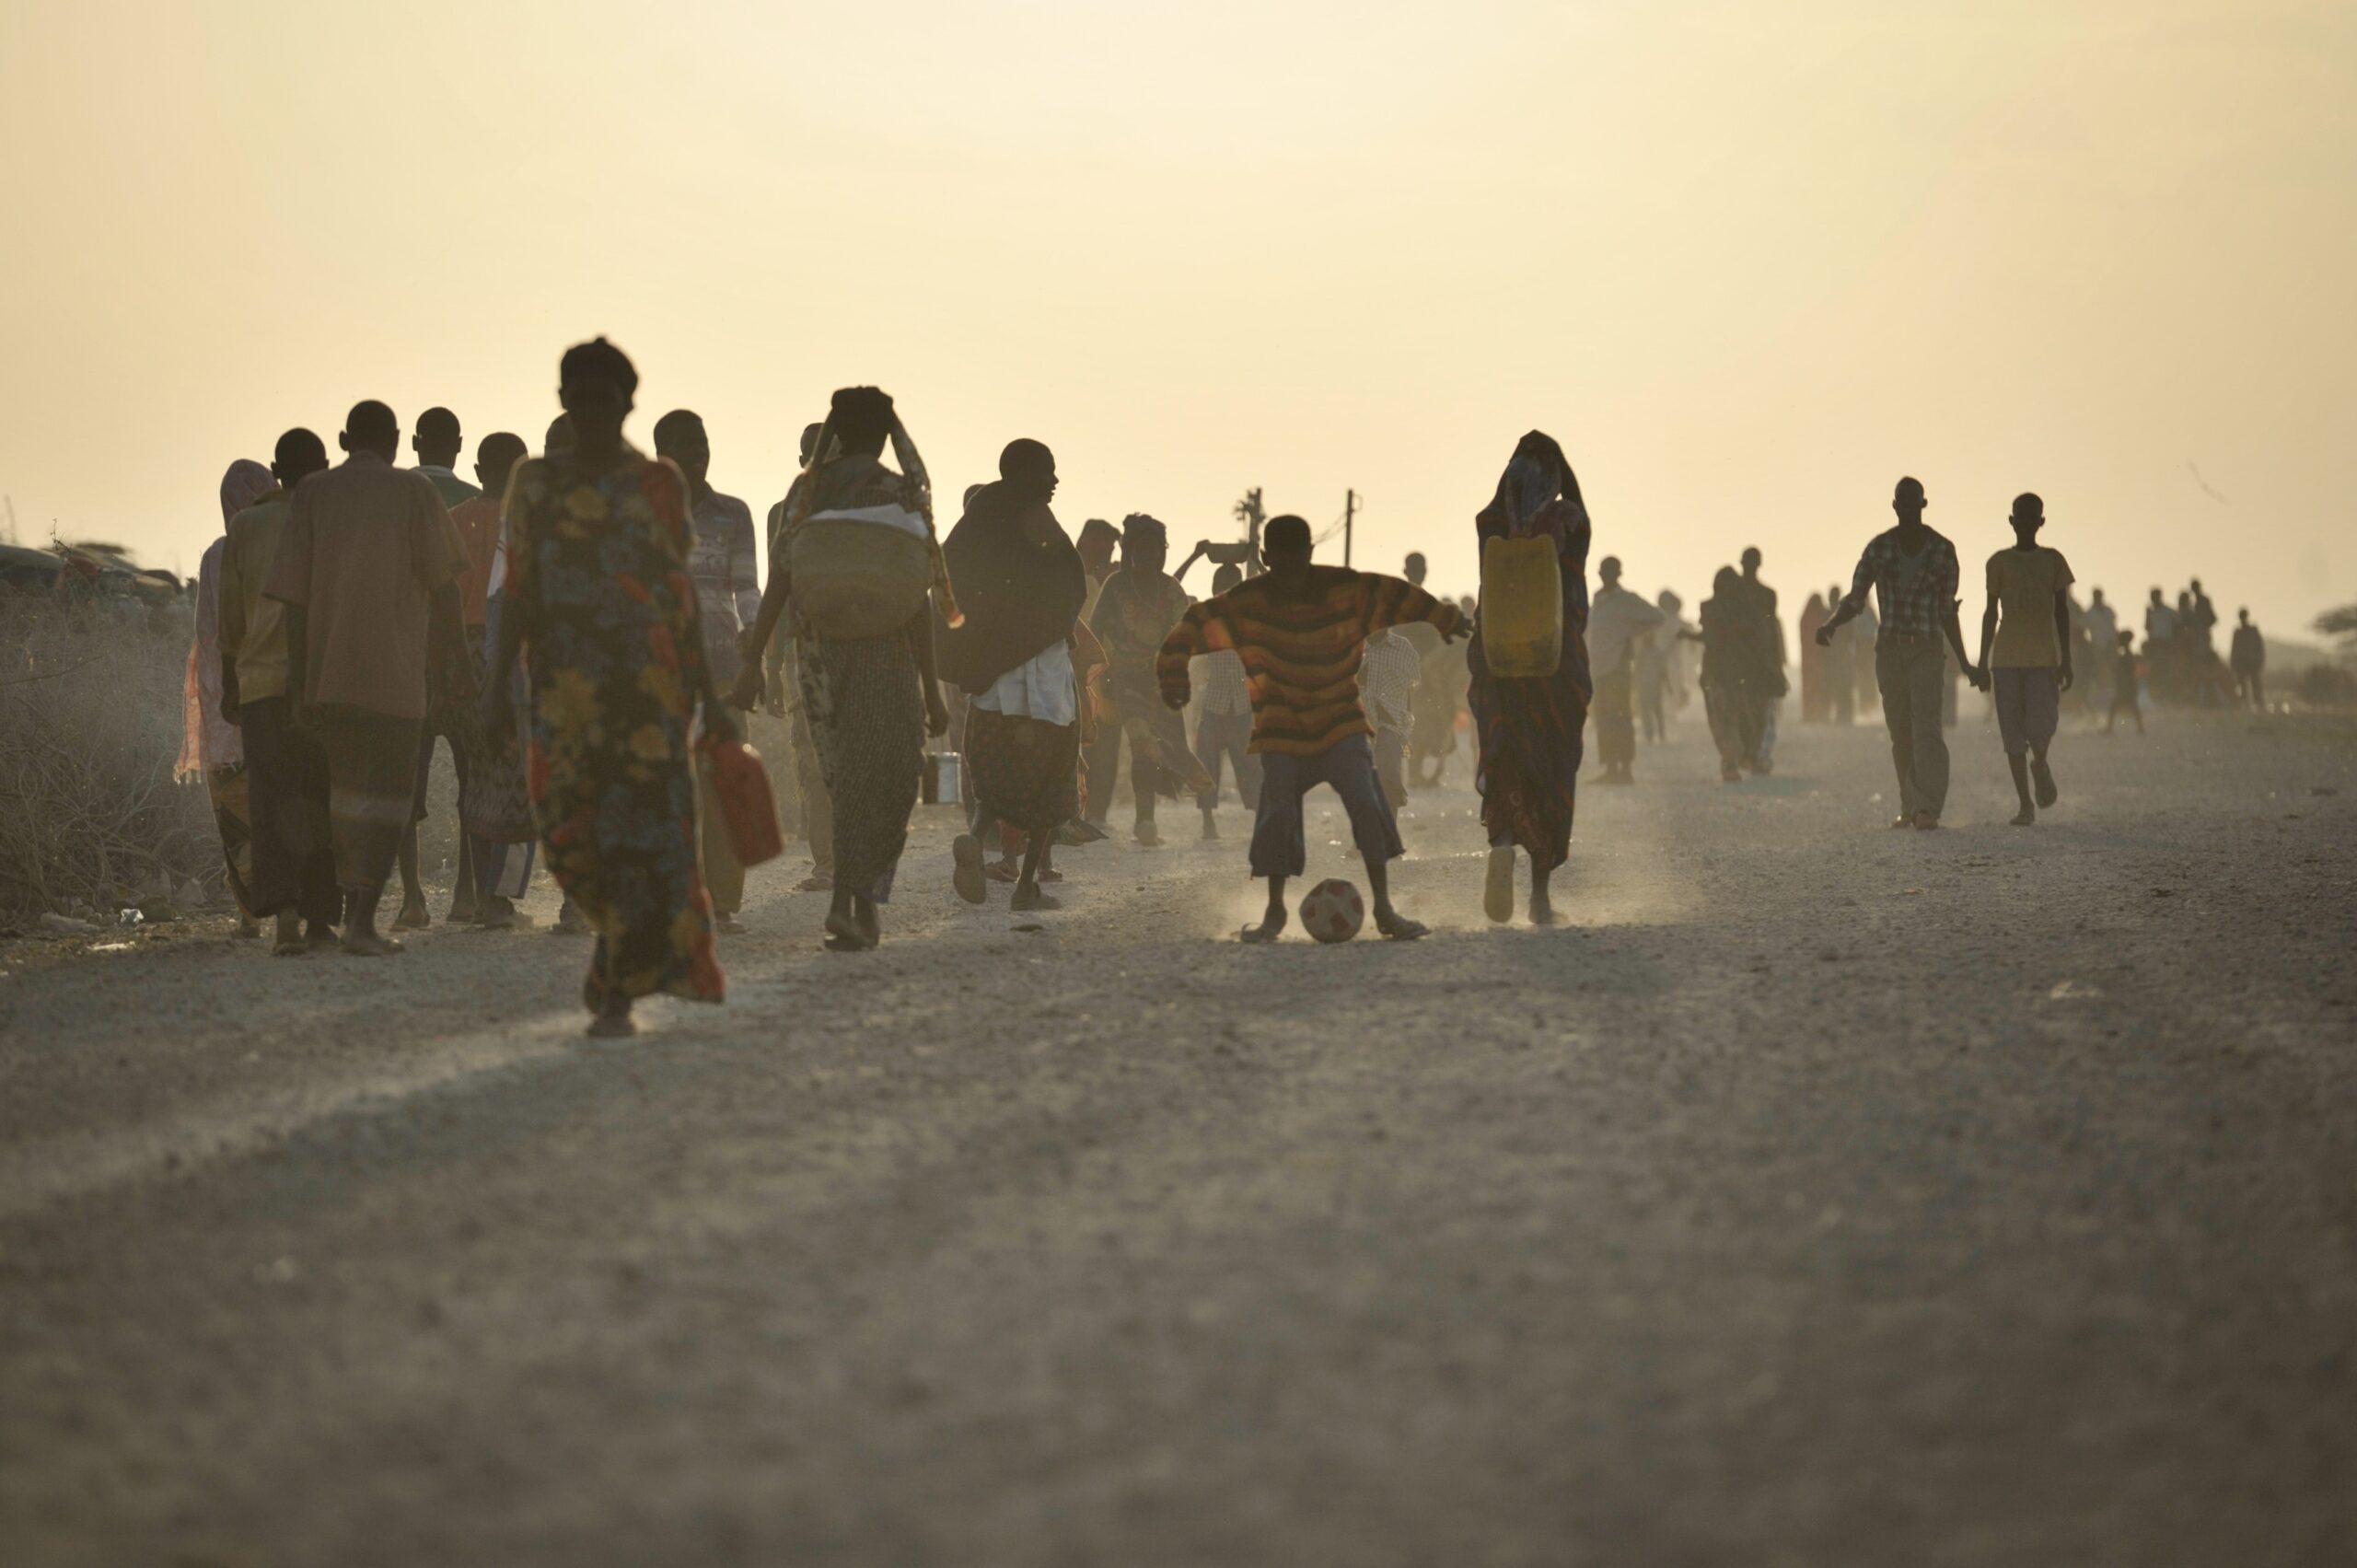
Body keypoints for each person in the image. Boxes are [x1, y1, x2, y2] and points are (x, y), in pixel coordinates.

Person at [484, 339, 733, 1032]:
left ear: (628, 401)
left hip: (648, 689)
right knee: (570, 832)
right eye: (579, 398)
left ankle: (616, 980)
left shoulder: (658, 484)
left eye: (606, 399)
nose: (593, 411)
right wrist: (494, 689)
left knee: (637, 834)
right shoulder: (534, 482)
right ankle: (612, 952)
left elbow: (680, 596)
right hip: (562, 689)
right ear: (563, 400)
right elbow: (522, 591)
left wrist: (712, 697)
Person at [1156, 515, 1461, 942]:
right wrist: (1172, 676)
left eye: (1295, 563)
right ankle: (1276, 912)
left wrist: (1444, 618)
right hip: (1282, 730)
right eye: (1282, 564)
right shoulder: (1250, 601)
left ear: (1308, 556)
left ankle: (1385, 909)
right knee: (1278, 813)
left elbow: (1395, 595)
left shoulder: (1339, 588)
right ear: (1267, 558)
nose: (1290, 574)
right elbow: (1191, 627)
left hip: (1340, 724)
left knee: (1368, 805)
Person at [733, 385, 952, 951]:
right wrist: (932, 689)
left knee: (844, 776)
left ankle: (850, 903)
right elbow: (919, 594)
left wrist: (755, 659)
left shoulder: (808, 491)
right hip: (888, 655)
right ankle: (855, 904)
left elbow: (780, 578)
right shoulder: (900, 492)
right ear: (886, 432)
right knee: (890, 777)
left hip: (819, 654)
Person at [264, 401, 473, 954]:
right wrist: (456, 669)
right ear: (399, 441)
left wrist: (300, 683)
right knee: (389, 798)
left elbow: (294, 601)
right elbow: (446, 590)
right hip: (398, 677)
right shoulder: (414, 493)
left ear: (342, 439)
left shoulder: (311, 494)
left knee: (342, 796)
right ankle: (360, 919)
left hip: (330, 676)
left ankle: (335, 920)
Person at [938, 438, 1086, 912]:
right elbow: (1070, 585)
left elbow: (946, 582)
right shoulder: (1035, 516)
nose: (1055, 481)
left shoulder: (973, 524)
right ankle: (1026, 886)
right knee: (1051, 775)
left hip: (994, 680)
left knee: (997, 773)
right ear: (1025, 474)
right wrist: (1053, 626)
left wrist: (978, 647)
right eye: (1049, 472)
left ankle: (976, 837)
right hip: (1042, 674)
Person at [217, 429, 341, 954]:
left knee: (272, 801)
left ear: (276, 467)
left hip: (260, 682)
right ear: (325, 466)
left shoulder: (245, 526)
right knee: (320, 799)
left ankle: (286, 919)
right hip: (323, 684)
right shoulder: (331, 522)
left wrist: (230, 684)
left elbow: (231, 619)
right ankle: (319, 921)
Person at [1468, 431, 1592, 925]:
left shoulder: (1491, 524)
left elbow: (1499, 506)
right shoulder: (1570, 521)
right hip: (1556, 665)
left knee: (1506, 755)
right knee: (1551, 765)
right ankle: (1539, 897)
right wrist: (1563, 464)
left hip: (1497, 662)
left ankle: (1502, 842)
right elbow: (1580, 509)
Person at [1816, 477, 1983, 830]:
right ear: (1895, 506)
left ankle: (1927, 807)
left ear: (1923, 505)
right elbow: (1856, 598)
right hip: (1890, 649)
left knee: (1926, 728)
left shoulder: (1942, 551)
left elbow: (1947, 611)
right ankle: (1910, 804)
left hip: (1925, 647)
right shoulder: (1879, 549)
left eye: (1914, 501)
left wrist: (1966, 662)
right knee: (1900, 732)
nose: (1907, 508)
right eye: (1902, 502)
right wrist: (1831, 624)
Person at [653, 409, 761, 935]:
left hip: (723, 668)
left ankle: (722, 903)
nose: (700, 451)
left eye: (703, 441)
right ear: (660, 454)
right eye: (685, 444)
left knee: (725, 790)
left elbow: (748, 590)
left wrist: (756, 654)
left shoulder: (733, 514)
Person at [183, 459, 277, 936]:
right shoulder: (285, 544)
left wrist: (214, 701)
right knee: (278, 805)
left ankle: (249, 916)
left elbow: (209, 636)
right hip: (277, 699)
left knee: (236, 817)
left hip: (228, 706)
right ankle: (292, 906)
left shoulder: (218, 556)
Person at [449, 433, 536, 929]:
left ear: (478, 468)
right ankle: (496, 896)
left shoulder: (458, 520)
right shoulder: (529, 524)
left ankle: (482, 893)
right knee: (514, 779)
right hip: (510, 651)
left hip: (464, 655)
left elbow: (442, 599)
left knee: (475, 776)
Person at [1086, 514, 1208, 846]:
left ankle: (1156, 816)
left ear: (1162, 551)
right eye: (1139, 549)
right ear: (1129, 551)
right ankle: (1144, 822)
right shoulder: (1115, 586)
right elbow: (1095, 630)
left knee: (1168, 751)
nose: (1147, 556)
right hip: (1124, 679)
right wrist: (1101, 669)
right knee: (1142, 741)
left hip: (1163, 682)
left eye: (1153, 549)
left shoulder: (1171, 589)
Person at [762, 423, 836, 892]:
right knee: (811, 758)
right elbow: (778, 589)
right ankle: (827, 862)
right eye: (815, 454)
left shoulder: (866, 511)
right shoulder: (783, 513)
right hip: (803, 650)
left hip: (860, 647)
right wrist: (769, 667)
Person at [1979, 493, 2075, 827]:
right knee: (2013, 734)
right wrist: (1981, 661)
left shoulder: (2054, 561)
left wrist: (2067, 659)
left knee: (2043, 725)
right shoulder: (1998, 563)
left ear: (2041, 523)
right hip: (2005, 658)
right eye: (2020, 517)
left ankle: (2041, 763)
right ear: (2011, 521)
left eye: (2031, 517)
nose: (2025, 523)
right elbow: (1990, 613)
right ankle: (2024, 804)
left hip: (2044, 657)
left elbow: (2063, 612)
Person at [1190, 562, 1260, 838]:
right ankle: (1208, 823)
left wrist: (1255, 561)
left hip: (1241, 706)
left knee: (1250, 767)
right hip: (1215, 704)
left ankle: (1258, 822)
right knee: (1208, 766)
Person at [1585, 554, 1664, 784]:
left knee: (1620, 716)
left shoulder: (1627, 600)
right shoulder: (1598, 599)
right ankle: (1610, 768)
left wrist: (1631, 633)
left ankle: (1625, 769)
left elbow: (1658, 617)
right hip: (1599, 666)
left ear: (1617, 574)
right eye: (1603, 571)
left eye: (1609, 571)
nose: (1604, 575)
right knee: (1604, 718)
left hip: (1617, 665)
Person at [1361, 624, 1421, 806]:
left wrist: (1405, 722)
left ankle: (1390, 831)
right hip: (1358, 725)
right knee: (1364, 787)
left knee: (1389, 780)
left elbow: (1411, 687)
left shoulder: (1403, 648)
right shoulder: (1352, 646)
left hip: (1391, 723)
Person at [1737, 546, 1784, 772]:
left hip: (1760, 662)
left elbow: (1772, 629)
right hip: (1743, 662)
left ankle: (1755, 756)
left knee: (1760, 713)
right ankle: (1750, 756)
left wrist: (1777, 663)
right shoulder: (1734, 593)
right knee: (1745, 713)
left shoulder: (1767, 595)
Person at [1797, 591, 1830, 722]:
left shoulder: (1805, 617)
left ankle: (1811, 714)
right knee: (1819, 686)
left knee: (1811, 687)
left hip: (1808, 659)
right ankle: (1819, 714)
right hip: (1819, 659)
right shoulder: (1821, 617)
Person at [2107, 630, 2144, 735]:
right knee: (2132, 706)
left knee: (2115, 706)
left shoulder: (2126, 655)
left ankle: (2109, 729)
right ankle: (2140, 728)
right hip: (2129, 684)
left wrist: (2117, 671)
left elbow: (2125, 670)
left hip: (2126, 685)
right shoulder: (2127, 653)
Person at [2230, 609, 2267, 710]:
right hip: (2242, 663)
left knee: (2256, 685)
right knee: (2243, 686)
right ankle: (2247, 705)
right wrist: (2233, 664)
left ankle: (2259, 705)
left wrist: (2259, 660)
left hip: (2252, 662)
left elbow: (2259, 646)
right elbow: (2234, 649)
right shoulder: (2238, 632)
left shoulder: (2252, 630)